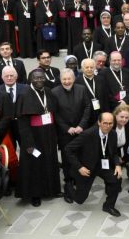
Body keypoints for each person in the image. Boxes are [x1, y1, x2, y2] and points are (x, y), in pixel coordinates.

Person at [15, 68, 60, 206]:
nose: (39, 80)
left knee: (50, 161)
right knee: (35, 165)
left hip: (49, 133)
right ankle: (35, 194)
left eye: (42, 77)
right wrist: (28, 143)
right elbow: (22, 123)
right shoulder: (24, 95)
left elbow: (54, 113)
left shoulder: (48, 91)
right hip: (33, 137)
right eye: (36, 78)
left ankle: (52, 189)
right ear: (30, 79)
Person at [63, 112, 123, 216]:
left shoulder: (113, 134)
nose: (108, 126)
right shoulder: (88, 134)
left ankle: (108, 206)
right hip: (86, 167)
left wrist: (117, 165)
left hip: (103, 165)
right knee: (79, 199)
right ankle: (68, 187)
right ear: (99, 122)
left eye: (110, 123)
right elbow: (68, 149)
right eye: (105, 123)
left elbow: (114, 153)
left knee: (116, 178)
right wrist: (79, 167)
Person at [53, 68, 93, 201]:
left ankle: (79, 179)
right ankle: (68, 183)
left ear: (74, 79)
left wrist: (81, 125)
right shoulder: (55, 92)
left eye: (69, 79)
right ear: (60, 80)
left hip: (81, 130)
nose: (67, 81)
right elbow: (55, 113)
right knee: (66, 158)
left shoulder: (81, 89)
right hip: (66, 132)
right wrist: (67, 128)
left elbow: (88, 107)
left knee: (82, 155)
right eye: (64, 79)